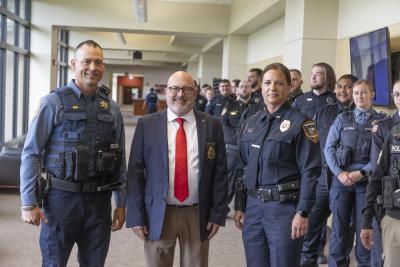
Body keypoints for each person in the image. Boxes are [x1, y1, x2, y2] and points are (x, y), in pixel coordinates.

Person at [20, 40, 126, 266]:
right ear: (73, 64)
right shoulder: (53, 102)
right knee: (54, 262)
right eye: (86, 61)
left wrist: (122, 201)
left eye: (98, 62)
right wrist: (28, 202)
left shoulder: (112, 108)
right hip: (61, 200)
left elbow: (120, 159)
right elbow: (31, 153)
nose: (92, 67)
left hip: (99, 201)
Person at [126, 71, 228, 267]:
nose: (180, 94)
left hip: (198, 213)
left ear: (195, 92)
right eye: (174, 88)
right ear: (166, 91)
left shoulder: (212, 125)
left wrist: (218, 213)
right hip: (158, 212)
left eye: (187, 89)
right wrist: (136, 215)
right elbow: (135, 173)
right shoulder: (147, 124)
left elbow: (220, 173)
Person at [235, 63, 321, 267]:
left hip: (284, 210)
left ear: (289, 86)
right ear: (261, 87)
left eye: (279, 83)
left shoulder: (303, 123)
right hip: (254, 207)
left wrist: (303, 212)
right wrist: (240, 204)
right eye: (267, 82)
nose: (272, 88)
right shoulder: (252, 122)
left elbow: (311, 171)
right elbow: (242, 166)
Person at [324, 79, 385, 267]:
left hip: (366, 183)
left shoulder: (382, 121)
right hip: (342, 181)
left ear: (372, 94)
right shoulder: (343, 118)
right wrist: (339, 173)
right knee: (339, 229)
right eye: (357, 93)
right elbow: (329, 148)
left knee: (364, 229)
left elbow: (382, 155)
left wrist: (363, 172)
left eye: (364, 92)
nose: (360, 96)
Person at [301, 74, 358, 267]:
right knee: (312, 223)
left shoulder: (363, 115)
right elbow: (312, 144)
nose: (342, 91)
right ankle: (307, 261)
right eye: (340, 86)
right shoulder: (324, 112)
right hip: (323, 179)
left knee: (343, 229)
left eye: (348, 87)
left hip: (347, 181)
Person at [361, 80, 400, 267]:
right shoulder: (392, 133)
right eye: (397, 94)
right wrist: (367, 219)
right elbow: (377, 176)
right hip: (394, 217)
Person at [206, 79, 241, 205]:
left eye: (227, 86)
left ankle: (223, 203)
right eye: (222, 86)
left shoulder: (235, 101)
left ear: (230, 87)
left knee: (228, 173)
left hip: (231, 142)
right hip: (215, 139)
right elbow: (207, 118)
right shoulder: (214, 101)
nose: (225, 88)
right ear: (219, 88)